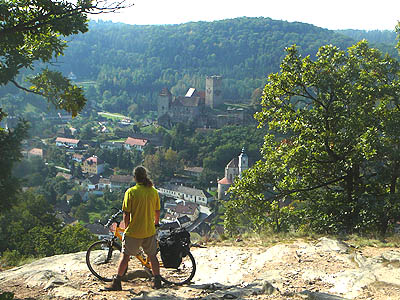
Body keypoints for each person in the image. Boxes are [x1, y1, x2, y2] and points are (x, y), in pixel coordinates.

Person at [105, 166, 162, 291]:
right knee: (152, 256)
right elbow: (157, 210)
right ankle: (157, 280)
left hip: (134, 232)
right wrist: (155, 223)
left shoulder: (131, 192)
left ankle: (117, 282)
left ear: (135, 177)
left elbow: (126, 213)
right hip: (149, 231)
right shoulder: (153, 192)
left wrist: (126, 227)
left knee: (125, 256)